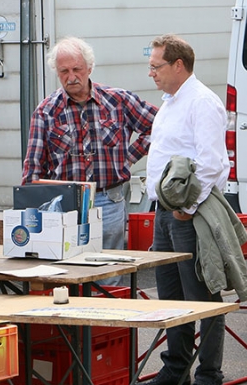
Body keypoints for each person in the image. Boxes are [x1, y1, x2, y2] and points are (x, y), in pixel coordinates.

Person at [134, 34, 231, 385]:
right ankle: (176, 368)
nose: (151, 72)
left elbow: (213, 164)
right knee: (171, 295)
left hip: (187, 215)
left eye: (157, 65)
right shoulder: (172, 101)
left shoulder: (202, 102)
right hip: (165, 210)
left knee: (203, 297)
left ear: (178, 65)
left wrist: (187, 207)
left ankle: (209, 378)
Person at [21, 36, 157, 253]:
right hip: (64, 203)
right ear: (57, 72)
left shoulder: (118, 101)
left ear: (89, 68)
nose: (71, 77)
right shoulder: (45, 111)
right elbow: (34, 166)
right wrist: (29, 211)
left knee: (110, 270)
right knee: (68, 268)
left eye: (77, 69)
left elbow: (159, 126)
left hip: (109, 200)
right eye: (64, 71)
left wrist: (128, 158)